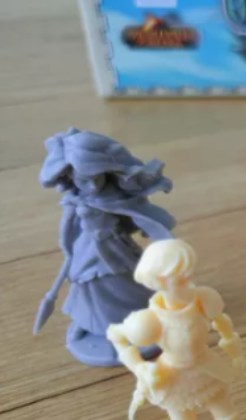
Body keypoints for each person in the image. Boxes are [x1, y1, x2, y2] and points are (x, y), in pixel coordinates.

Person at [107, 239, 246, 420]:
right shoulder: (148, 321)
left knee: (228, 416)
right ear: (158, 282)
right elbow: (116, 335)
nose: (189, 285)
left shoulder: (203, 299)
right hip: (173, 377)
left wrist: (234, 350)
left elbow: (222, 322)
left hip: (207, 367)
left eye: (190, 277)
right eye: (180, 281)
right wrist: (139, 368)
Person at [34, 129, 175, 366]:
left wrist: (162, 240)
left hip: (115, 248)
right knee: (91, 289)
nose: (91, 185)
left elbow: (138, 215)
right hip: (87, 251)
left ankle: (137, 323)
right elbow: (67, 230)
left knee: (128, 285)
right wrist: (69, 253)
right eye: (82, 179)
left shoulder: (112, 197)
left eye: (95, 177)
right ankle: (97, 328)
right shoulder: (75, 200)